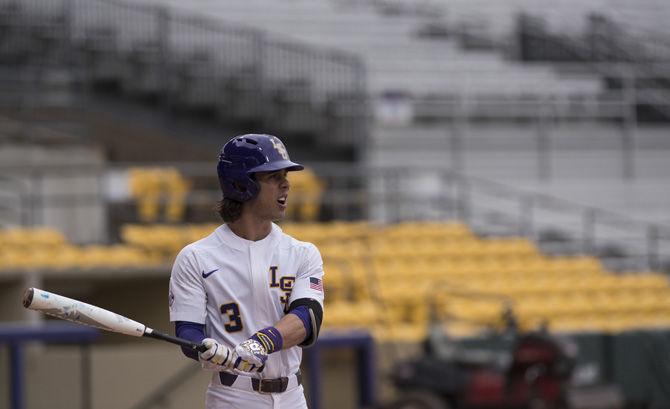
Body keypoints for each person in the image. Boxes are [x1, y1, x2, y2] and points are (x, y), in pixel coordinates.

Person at [168, 134, 325, 408]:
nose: (286, 183)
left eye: (285, 175)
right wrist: (205, 349)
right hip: (233, 397)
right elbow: (188, 333)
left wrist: (261, 343)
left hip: (292, 397)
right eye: (273, 176)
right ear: (242, 184)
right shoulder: (196, 258)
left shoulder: (302, 252)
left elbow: (308, 317)